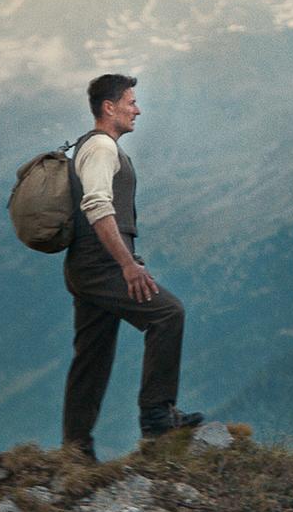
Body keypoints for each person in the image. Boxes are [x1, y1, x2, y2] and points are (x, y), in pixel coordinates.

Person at [61, 73, 202, 461]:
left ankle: (75, 450)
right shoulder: (102, 148)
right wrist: (127, 264)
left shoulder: (94, 147)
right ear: (109, 107)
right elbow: (97, 205)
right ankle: (157, 416)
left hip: (88, 267)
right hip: (101, 266)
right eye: (131, 101)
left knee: (92, 356)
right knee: (167, 314)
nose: (137, 109)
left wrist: (128, 258)